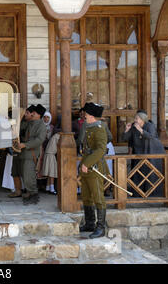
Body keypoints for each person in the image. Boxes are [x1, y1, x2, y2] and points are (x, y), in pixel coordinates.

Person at [78, 102, 108, 239]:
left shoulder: (99, 129)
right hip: (86, 168)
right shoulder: (89, 127)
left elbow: (101, 150)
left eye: (86, 113)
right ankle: (90, 223)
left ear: (92, 116)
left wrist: (88, 163)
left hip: (95, 168)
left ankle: (101, 227)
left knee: (98, 197)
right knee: (86, 196)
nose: (84, 115)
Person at [122, 110, 165, 197]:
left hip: (152, 152)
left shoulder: (149, 126)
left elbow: (151, 137)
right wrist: (127, 130)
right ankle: (138, 193)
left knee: (151, 173)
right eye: (135, 118)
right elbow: (125, 138)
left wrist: (140, 130)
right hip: (139, 153)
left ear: (142, 119)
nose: (135, 120)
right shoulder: (134, 127)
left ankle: (152, 193)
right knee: (138, 173)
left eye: (137, 118)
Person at [19, 104, 47, 205]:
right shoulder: (30, 123)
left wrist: (25, 145)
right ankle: (30, 193)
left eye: (34, 112)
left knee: (29, 175)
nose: (32, 113)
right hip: (25, 153)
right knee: (25, 175)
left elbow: (39, 140)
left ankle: (34, 194)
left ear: (38, 115)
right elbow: (20, 127)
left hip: (31, 154)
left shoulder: (41, 126)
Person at [7, 105, 34, 197]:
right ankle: (18, 190)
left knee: (25, 172)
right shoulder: (17, 122)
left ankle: (29, 192)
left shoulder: (28, 123)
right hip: (16, 149)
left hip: (24, 150)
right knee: (15, 171)